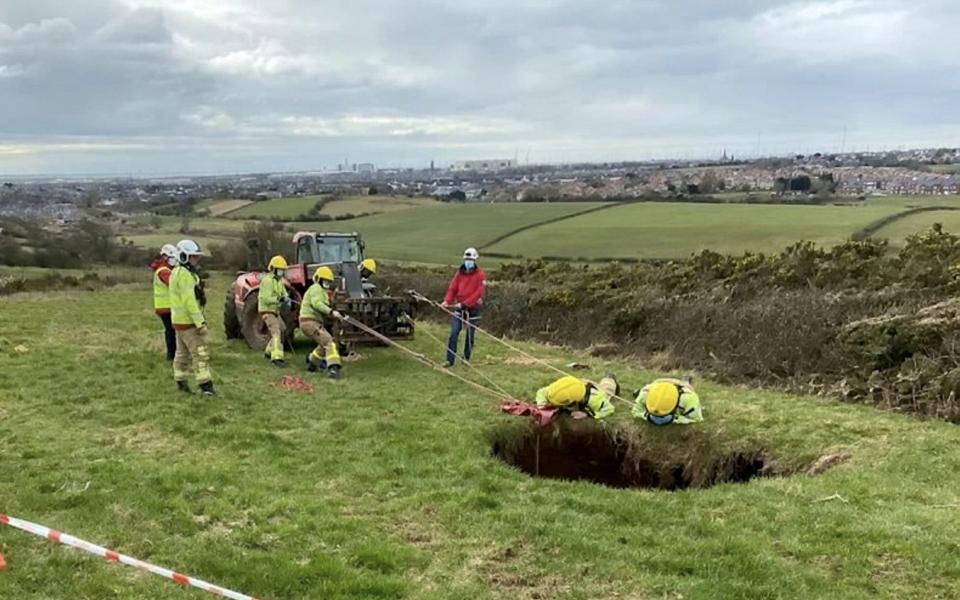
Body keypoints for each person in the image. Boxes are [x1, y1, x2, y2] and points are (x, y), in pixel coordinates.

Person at [170, 239, 216, 396]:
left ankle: (181, 383)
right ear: (183, 256)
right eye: (193, 257)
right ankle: (206, 387)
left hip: (179, 321)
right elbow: (189, 302)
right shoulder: (184, 275)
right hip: (188, 322)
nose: (197, 260)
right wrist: (200, 323)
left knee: (181, 354)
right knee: (200, 353)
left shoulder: (177, 272)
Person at [441, 247, 486, 367]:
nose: (468, 261)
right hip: (460, 308)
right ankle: (449, 360)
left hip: (473, 309)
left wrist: (466, 303)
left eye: (470, 259)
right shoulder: (459, 273)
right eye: (466, 259)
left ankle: (466, 358)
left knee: (470, 335)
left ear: (475, 260)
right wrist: (447, 301)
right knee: (454, 333)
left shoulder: (480, 275)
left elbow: (479, 293)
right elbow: (453, 289)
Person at [300, 266, 345, 379]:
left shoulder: (323, 292)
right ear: (319, 279)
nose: (327, 283)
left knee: (323, 344)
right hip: (309, 322)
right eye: (325, 281)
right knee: (329, 342)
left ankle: (312, 364)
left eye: (328, 281)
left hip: (312, 322)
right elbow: (317, 304)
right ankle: (333, 368)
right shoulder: (316, 289)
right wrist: (331, 312)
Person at [534, 375, 619, 420]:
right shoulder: (556, 389)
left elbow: (609, 409)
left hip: (599, 391)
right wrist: (541, 403)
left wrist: (587, 414)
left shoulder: (595, 400)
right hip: (578, 384)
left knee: (607, 388)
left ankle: (610, 378)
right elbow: (542, 392)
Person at [259, 255, 291, 367]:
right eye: (280, 269)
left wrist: (287, 298)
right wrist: (279, 299)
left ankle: (268, 352)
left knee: (282, 329)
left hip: (275, 311)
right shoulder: (267, 281)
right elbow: (266, 298)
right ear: (273, 268)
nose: (282, 271)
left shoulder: (279, 281)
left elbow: (284, 293)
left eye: (283, 270)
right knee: (276, 331)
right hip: (267, 311)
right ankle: (276, 358)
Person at [632, 377, 703, 425]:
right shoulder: (645, 393)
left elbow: (697, 419)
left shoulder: (689, 398)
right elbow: (636, 411)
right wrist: (645, 415)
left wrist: (677, 419)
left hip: (683, 387)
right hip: (659, 382)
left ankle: (685, 380)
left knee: (686, 384)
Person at [150, 244, 178, 361]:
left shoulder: (163, 269)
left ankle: (173, 355)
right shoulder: (164, 271)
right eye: (172, 257)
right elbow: (174, 285)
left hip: (165, 307)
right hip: (166, 307)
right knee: (171, 332)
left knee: (171, 331)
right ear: (165, 257)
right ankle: (171, 355)